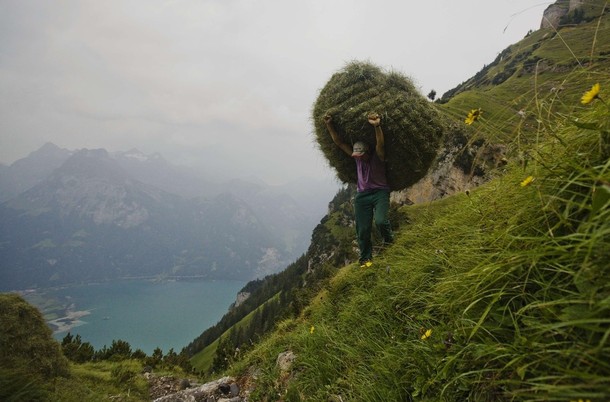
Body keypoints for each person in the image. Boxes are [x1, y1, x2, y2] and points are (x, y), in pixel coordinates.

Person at [324, 112, 394, 268]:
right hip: (362, 196)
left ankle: (389, 241)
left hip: (380, 193)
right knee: (362, 230)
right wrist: (329, 125)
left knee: (381, 221)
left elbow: (380, 143)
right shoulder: (356, 158)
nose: (358, 157)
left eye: (361, 154)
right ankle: (365, 260)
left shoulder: (378, 156)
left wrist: (376, 126)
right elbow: (339, 143)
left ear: (367, 151)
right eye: (356, 154)